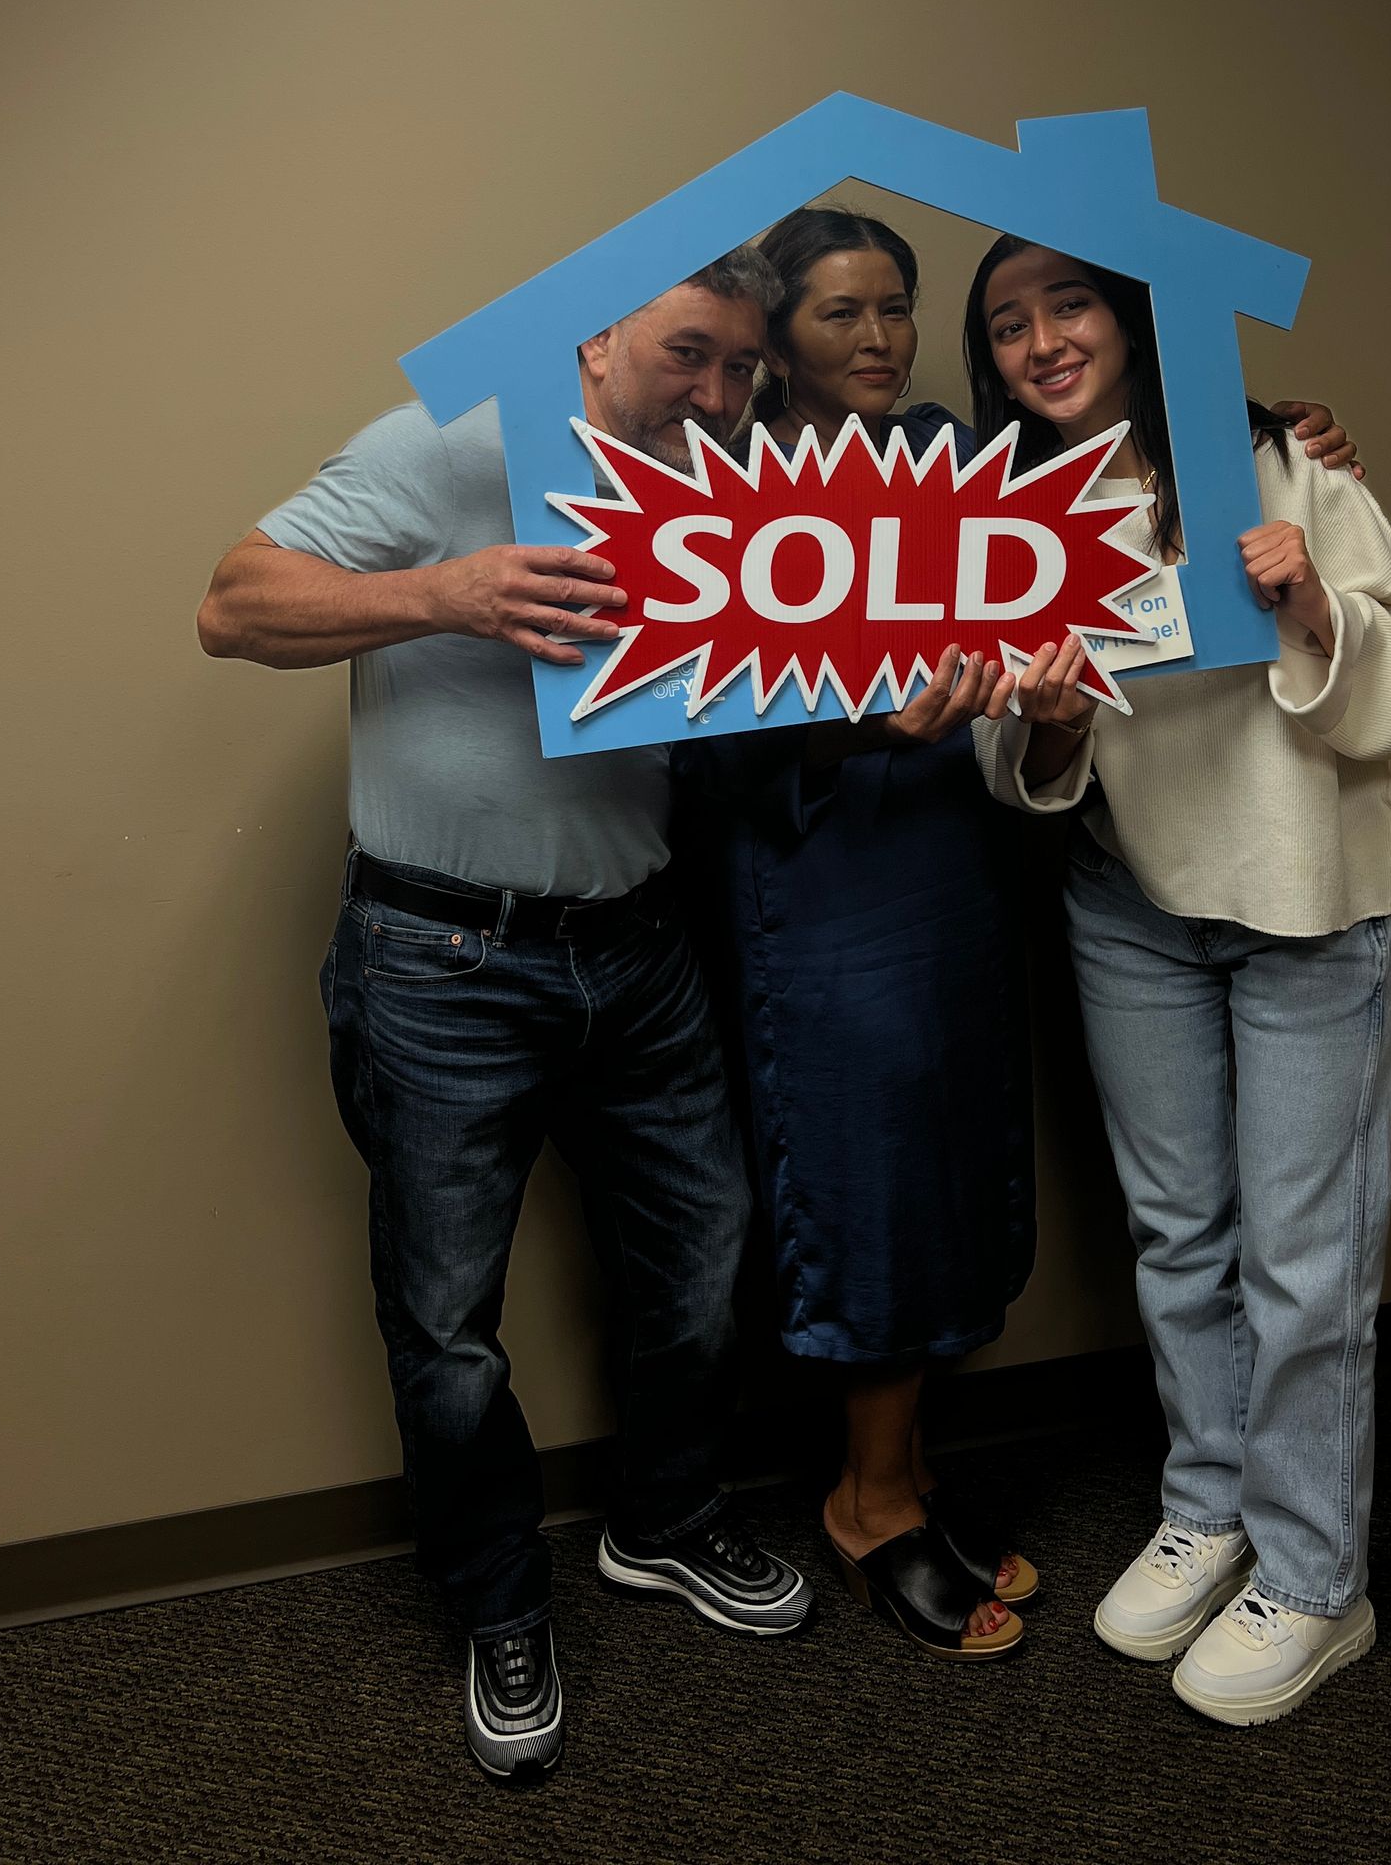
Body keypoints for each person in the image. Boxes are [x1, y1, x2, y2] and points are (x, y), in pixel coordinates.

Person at [673, 207, 1362, 1666]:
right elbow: (702, 743)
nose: (873, 338)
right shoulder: (724, 486)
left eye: (896, 308)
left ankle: (907, 1470)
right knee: (863, 1175)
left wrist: (1265, 435)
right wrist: (853, 720)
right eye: (837, 315)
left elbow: (1114, 500)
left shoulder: (951, 457)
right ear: (775, 340)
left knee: (948, 1161)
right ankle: (867, 1502)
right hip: (824, 876)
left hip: (967, 857)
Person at [195, 248, 811, 1787]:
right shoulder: (450, 443)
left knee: (705, 1263)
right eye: (689, 355)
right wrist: (440, 593)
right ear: (598, 335)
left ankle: (663, 1525)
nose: (717, 396)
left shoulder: (718, 487)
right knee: (451, 1333)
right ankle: (498, 1608)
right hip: (441, 964)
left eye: (742, 369)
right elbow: (229, 606)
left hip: (644, 948)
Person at [965, 236, 1391, 1727]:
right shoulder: (1002, 514)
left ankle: (1320, 1584)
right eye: (1005, 326)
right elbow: (1021, 767)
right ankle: (1215, 1506)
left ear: (1132, 318)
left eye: (1069, 307)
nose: (1042, 341)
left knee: (1306, 1265)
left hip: (1306, 903)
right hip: (1133, 905)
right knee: (1179, 1235)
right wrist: (1048, 722)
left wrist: (1316, 605)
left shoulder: (1285, 463)